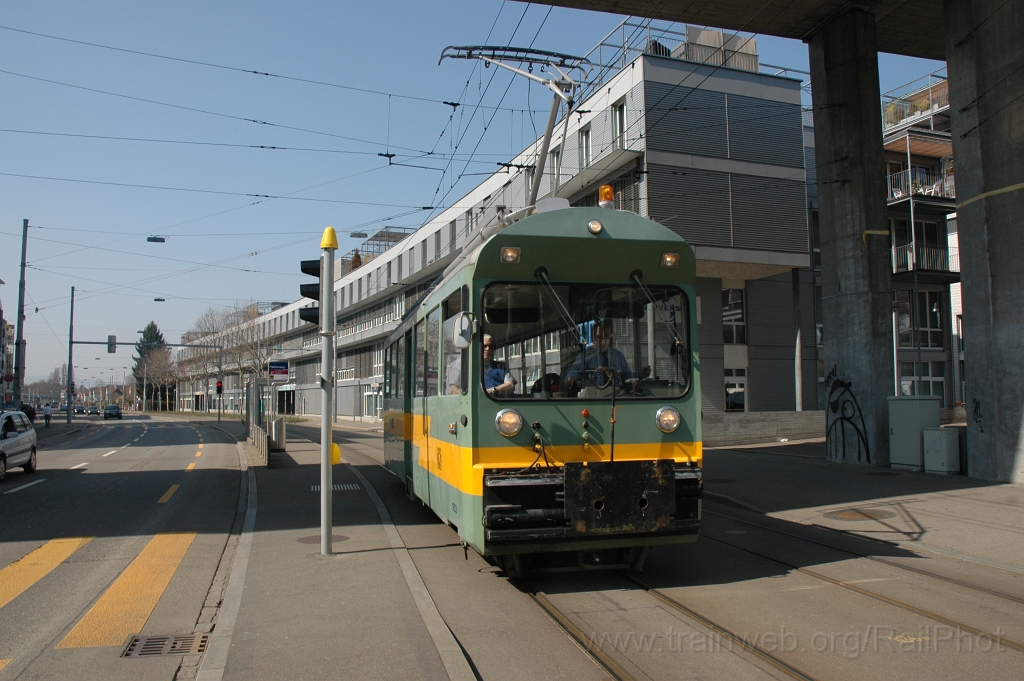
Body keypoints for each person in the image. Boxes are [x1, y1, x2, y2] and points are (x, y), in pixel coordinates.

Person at [564, 320, 637, 391]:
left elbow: (627, 376)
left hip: (616, 396)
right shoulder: (585, 356)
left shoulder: (618, 356)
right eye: (599, 337)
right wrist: (571, 379)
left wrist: (640, 375)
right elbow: (573, 372)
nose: (603, 339)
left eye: (606, 336)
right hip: (594, 397)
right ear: (593, 338)